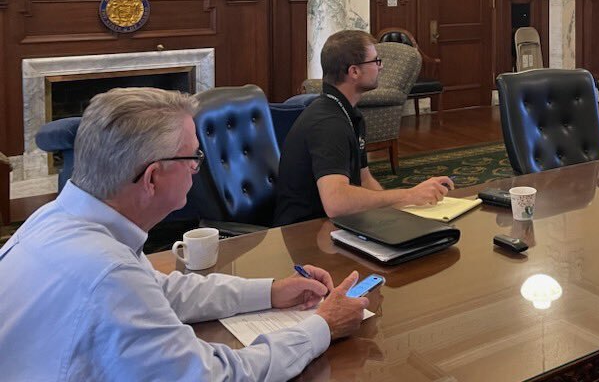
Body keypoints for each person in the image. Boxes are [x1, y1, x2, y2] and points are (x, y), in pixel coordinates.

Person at [0, 88, 369, 382]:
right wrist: (323, 326)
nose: (197, 169)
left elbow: (160, 291)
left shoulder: (55, 219)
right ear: (153, 178)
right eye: (193, 158)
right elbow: (220, 376)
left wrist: (272, 291)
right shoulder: (108, 274)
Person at [274, 30, 453, 226]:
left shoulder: (351, 114)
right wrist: (407, 195)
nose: (381, 66)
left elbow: (364, 180)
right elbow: (336, 203)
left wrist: (396, 215)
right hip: (306, 233)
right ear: (354, 72)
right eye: (376, 61)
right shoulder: (328, 123)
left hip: (335, 224)